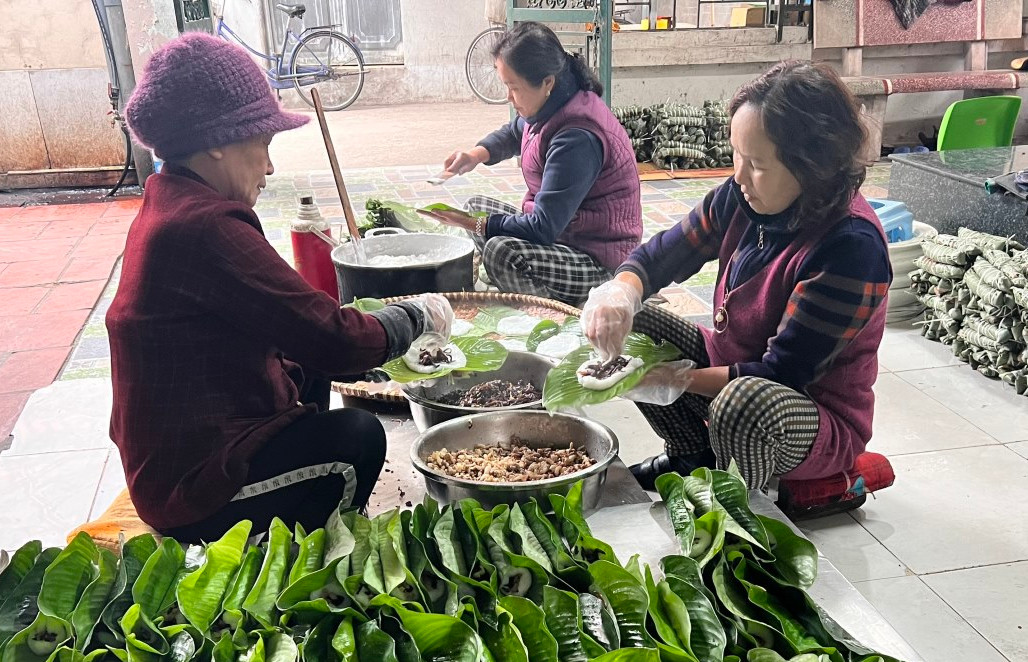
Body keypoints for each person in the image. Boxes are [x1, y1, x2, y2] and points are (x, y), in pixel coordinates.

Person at [108, 33, 453, 542]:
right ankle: (306, 559)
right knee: (356, 439)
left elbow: (302, 324)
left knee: (307, 359)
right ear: (218, 142)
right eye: (263, 145)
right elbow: (336, 338)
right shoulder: (204, 229)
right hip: (189, 492)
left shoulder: (172, 203)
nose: (269, 168)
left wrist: (367, 344)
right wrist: (416, 317)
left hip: (191, 445)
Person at [582, 61, 892, 491]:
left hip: (803, 411)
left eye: (757, 164)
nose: (739, 175)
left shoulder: (850, 247)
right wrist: (619, 292)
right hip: (732, 365)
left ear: (812, 166)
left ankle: (736, 500)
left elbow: (780, 374)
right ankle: (691, 454)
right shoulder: (744, 196)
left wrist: (676, 379)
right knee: (639, 324)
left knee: (741, 404)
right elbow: (661, 258)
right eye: (737, 155)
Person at [423, 22, 642, 306]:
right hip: (566, 233)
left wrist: (476, 225)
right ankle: (528, 281)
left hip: (598, 256)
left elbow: (542, 227)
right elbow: (516, 131)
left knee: (500, 252)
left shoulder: (577, 137)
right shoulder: (552, 101)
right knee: (473, 207)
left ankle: (556, 309)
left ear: (547, 81)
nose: (508, 97)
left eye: (513, 87)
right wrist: (475, 155)